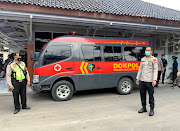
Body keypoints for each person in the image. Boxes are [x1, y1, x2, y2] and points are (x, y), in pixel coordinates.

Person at [136, 47, 158, 116]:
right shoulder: (143, 59)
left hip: (149, 81)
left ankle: (152, 109)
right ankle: (144, 107)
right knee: (142, 94)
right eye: (146, 50)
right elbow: (140, 69)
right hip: (142, 80)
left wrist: (154, 80)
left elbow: (155, 70)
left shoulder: (154, 59)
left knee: (151, 95)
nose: (147, 51)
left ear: (151, 51)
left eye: (149, 50)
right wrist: (137, 78)